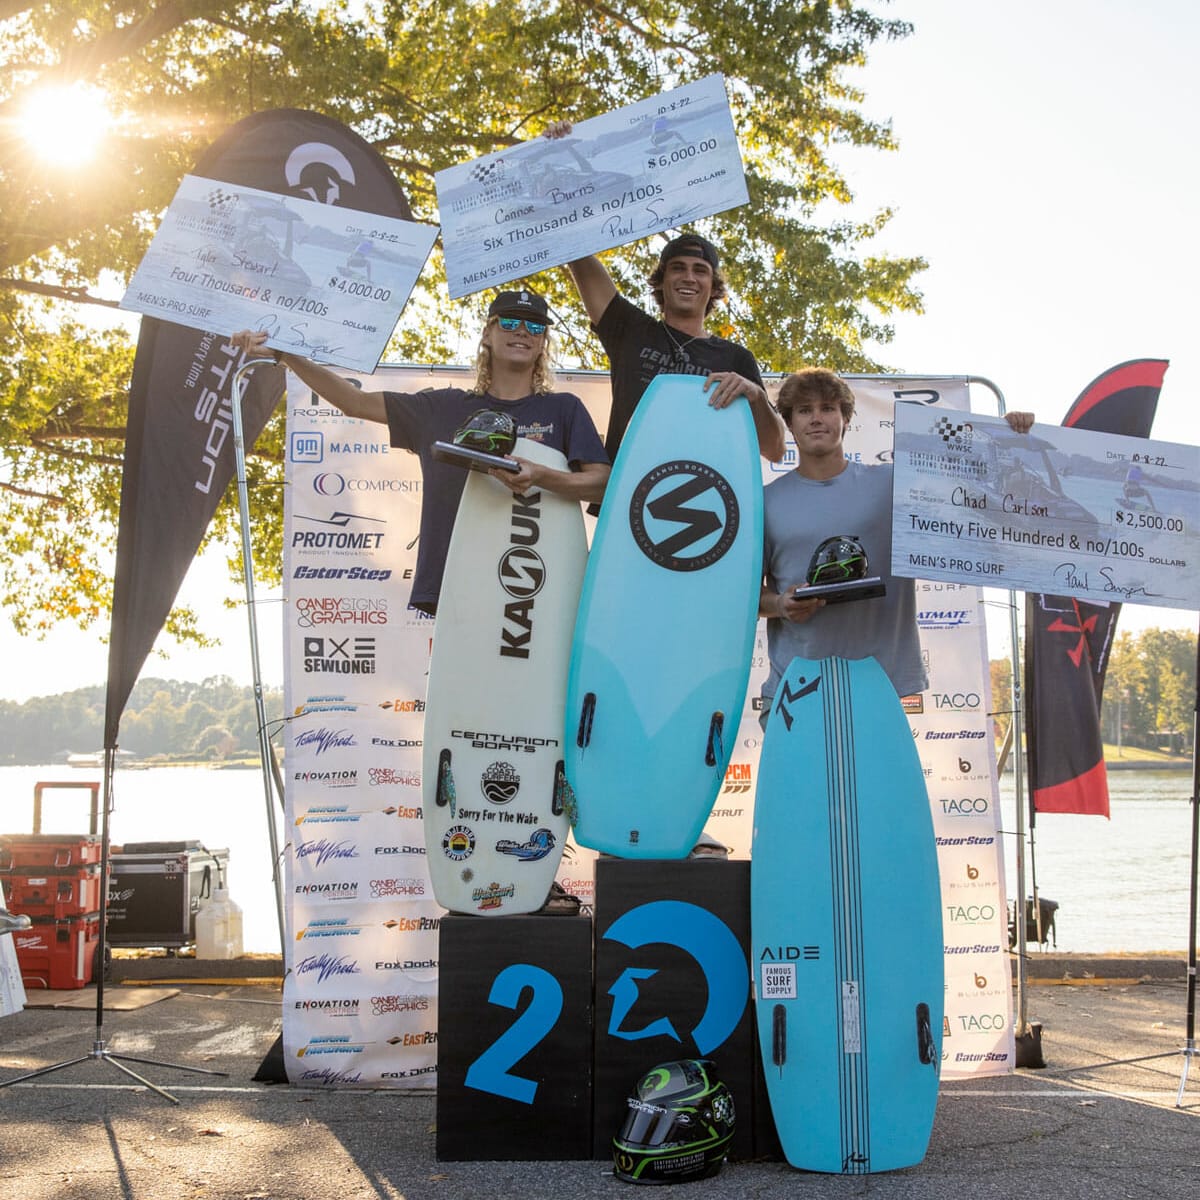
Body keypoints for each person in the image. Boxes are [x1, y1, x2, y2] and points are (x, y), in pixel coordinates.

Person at [232, 289, 610, 615]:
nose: (524, 332)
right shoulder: (440, 407)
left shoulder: (565, 408)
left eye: (536, 326)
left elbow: (602, 484)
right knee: (461, 698)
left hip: (537, 586)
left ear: (544, 342)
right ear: (488, 333)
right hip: (456, 585)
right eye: (510, 323)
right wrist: (286, 354)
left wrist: (542, 476)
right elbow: (354, 402)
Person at [759, 367, 1035, 709]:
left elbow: (980, 493)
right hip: (795, 689)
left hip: (879, 685)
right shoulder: (765, 502)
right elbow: (748, 597)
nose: (817, 419)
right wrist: (780, 605)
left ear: (845, 418)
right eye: (804, 410)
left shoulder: (897, 484)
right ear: (789, 422)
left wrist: (1007, 439)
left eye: (828, 408)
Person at [546, 118, 785, 465]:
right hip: (628, 492)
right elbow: (575, 253)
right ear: (660, 280)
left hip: (705, 497)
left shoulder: (734, 358)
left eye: (700, 271)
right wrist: (558, 150)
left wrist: (755, 397)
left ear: (713, 287)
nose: (688, 277)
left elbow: (774, 448)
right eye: (678, 268)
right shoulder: (630, 329)